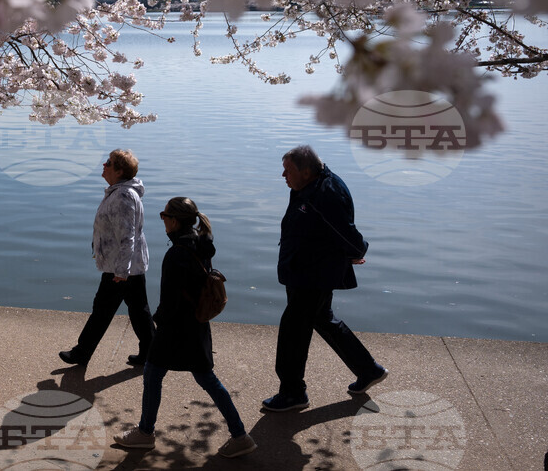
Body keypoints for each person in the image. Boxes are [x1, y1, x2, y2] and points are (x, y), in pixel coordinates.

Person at [114, 197, 257, 458]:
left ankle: (145, 433)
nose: (163, 221)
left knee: (153, 373)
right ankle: (240, 435)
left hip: (175, 328)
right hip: (196, 325)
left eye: (164, 216)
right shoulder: (201, 244)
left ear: (175, 220)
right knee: (207, 380)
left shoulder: (177, 253)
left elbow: (170, 298)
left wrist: (159, 319)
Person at [262, 145, 388, 412]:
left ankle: (293, 393)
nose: (283, 176)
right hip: (305, 269)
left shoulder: (325, 194)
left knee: (293, 331)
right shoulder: (307, 186)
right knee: (322, 318)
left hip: (313, 274)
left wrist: (354, 252)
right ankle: (368, 369)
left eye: (288, 171)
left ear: (306, 171)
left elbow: (346, 233)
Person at [59, 149, 155, 367]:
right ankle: (151, 352)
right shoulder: (120, 192)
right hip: (129, 264)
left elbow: (127, 236)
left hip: (121, 268)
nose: (104, 165)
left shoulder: (122, 196)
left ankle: (81, 353)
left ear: (119, 171)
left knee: (103, 309)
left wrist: (121, 272)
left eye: (109, 163)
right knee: (139, 310)